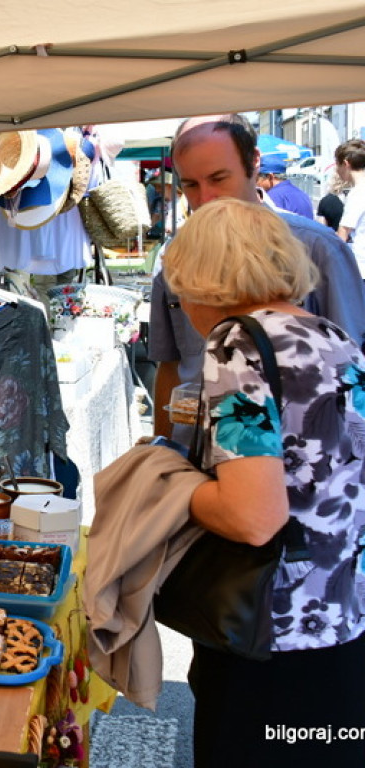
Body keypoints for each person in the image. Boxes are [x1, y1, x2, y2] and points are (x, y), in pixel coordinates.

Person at [160, 197, 365, 767]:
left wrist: (168, 486)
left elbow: (253, 517)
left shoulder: (236, 344)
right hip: (341, 625)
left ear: (203, 279)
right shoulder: (334, 339)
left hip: (267, 634)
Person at [149, 113, 365, 444]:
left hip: (287, 458)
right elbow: (170, 364)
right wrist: (161, 450)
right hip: (195, 451)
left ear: (254, 163)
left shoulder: (318, 249)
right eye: (190, 184)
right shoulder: (178, 254)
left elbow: (352, 365)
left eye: (219, 178)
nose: (205, 198)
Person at [335, 138, 365, 276]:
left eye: (337, 164)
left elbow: (343, 233)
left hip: (360, 266)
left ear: (346, 164)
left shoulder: (358, 192)